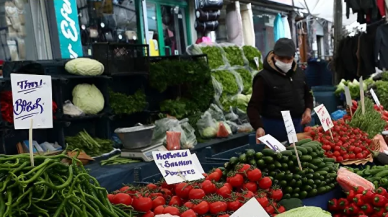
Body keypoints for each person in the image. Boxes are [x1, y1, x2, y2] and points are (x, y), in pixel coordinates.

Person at [247, 38, 313, 142]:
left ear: (293, 57)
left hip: (297, 124)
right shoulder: (263, 77)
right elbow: (253, 107)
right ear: (274, 55)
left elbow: (308, 95)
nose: (285, 62)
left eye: (289, 58)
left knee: (299, 155)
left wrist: (308, 109)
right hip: (274, 126)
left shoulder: (299, 73)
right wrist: (258, 127)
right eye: (281, 58)